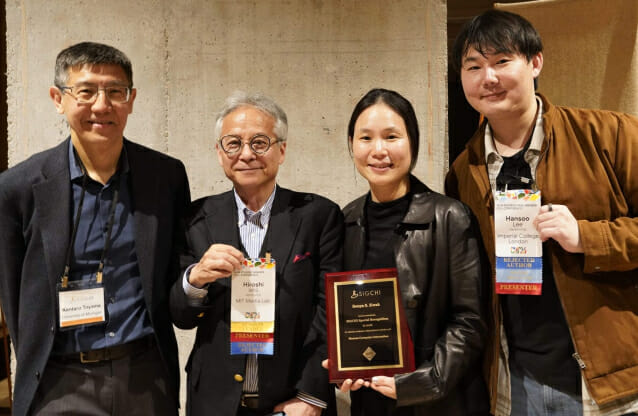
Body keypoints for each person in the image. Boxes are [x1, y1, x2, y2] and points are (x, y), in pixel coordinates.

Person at [446, 9, 638, 416]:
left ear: (535, 62)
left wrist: (588, 237)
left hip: (611, 383)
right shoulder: (464, 172)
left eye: (502, 61)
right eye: (473, 66)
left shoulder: (611, 135)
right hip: (513, 384)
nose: (488, 77)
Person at [0, 42, 190, 415]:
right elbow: (15, 296)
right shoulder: (17, 188)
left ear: (131, 100)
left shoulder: (165, 176)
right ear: (58, 99)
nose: (102, 105)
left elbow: (172, 271)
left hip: (146, 376)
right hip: (59, 382)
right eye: (86, 91)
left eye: (115, 91)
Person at [169, 91, 343, 416]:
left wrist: (311, 395)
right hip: (214, 401)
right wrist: (196, 279)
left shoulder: (318, 216)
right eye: (233, 143)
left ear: (282, 150)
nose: (246, 154)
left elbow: (331, 312)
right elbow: (182, 317)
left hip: (292, 401)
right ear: (220, 153)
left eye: (259, 143)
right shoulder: (195, 218)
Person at [326, 88, 489, 415]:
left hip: (438, 403)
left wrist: (419, 383)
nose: (379, 150)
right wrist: (344, 363)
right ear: (351, 144)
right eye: (366, 138)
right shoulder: (346, 221)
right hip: (370, 402)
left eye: (391, 137)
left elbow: (470, 320)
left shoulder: (450, 217)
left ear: (412, 142)